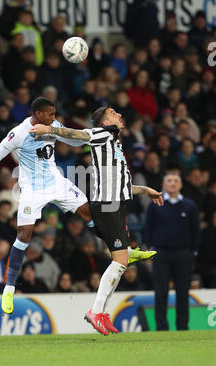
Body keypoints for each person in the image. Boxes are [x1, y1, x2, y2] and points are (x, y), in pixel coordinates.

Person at [30, 106, 163, 335]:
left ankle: (102, 311)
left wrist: (146, 190)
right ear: (103, 121)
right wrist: (48, 128)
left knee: (120, 262)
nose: (120, 114)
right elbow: (79, 134)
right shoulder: (101, 134)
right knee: (120, 261)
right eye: (113, 113)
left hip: (117, 205)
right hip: (107, 207)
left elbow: (122, 186)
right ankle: (96, 311)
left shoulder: (114, 144)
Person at [0, 97, 93, 315]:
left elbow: (73, 141)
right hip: (32, 190)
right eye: (50, 114)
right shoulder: (19, 133)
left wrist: (92, 137)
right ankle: (9, 289)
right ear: (38, 114)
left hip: (57, 183)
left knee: (89, 214)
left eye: (55, 114)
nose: (54, 118)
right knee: (24, 235)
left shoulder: (53, 126)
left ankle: (121, 249)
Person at [145, 174, 200, 330]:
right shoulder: (155, 204)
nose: (172, 183)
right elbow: (148, 228)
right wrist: (151, 248)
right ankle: (161, 327)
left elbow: (196, 231)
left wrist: (193, 252)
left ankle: (183, 326)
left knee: (183, 292)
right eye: (169, 180)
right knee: (160, 292)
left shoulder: (190, 206)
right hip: (161, 254)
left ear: (180, 185)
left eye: (176, 181)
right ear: (163, 184)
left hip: (183, 255)